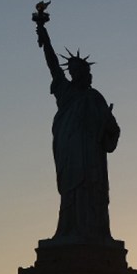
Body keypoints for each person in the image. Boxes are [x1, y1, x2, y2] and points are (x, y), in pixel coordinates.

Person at [35, 20, 120, 244]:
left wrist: (107, 128)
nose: (80, 74)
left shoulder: (95, 98)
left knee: (92, 192)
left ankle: (94, 233)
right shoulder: (65, 92)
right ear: (71, 73)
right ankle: (70, 230)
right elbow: (53, 66)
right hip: (71, 152)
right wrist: (44, 37)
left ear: (87, 73)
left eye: (83, 71)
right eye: (74, 71)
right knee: (72, 193)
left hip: (92, 156)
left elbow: (112, 131)